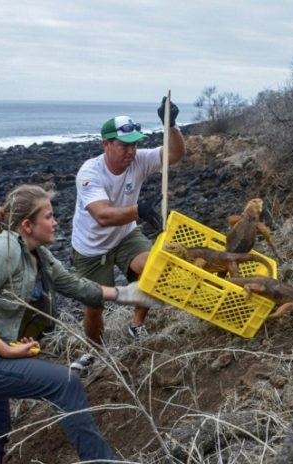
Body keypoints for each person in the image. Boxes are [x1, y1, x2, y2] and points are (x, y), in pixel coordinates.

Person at [0, 184, 161, 463]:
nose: (56, 222)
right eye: (49, 216)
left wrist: (128, 294)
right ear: (27, 225)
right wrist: (5, 351)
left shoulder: (38, 254)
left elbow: (71, 283)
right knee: (64, 383)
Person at [70, 96, 186, 366]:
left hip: (125, 236)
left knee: (153, 269)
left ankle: (136, 324)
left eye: (134, 145)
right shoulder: (90, 172)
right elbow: (102, 215)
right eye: (124, 145)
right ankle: (96, 352)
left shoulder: (139, 161)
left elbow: (175, 154)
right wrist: (140, 210)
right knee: (94, 307)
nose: (131, 152)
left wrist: (171, 125)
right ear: (106, 144)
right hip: (91, 248)